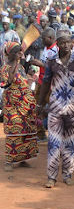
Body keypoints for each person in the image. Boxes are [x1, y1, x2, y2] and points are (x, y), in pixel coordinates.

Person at [38, 29, 74, 188]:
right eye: (62, 42)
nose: (66, 45)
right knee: (53, 143)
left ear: (72, 43)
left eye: (68, 42)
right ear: (58, 44)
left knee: (70, 144)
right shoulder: (51, 60)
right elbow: (46, 83)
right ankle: (51, 177)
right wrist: (40, 104)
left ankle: (68, 174)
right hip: (55, 107)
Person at [1, 42, 38, 171]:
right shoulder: (6, 68)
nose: (20, 54)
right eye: (18, 52)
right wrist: (13, 70)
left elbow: (23, 81)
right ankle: (9, 161)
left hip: (25, 103)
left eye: (21, 52)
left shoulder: (21, 67)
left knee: (26, 130)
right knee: (14, 130)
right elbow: (6, 84)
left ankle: (23, 159)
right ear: (11, 54)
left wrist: (30, 79)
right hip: (12, 104)